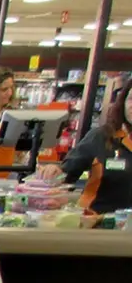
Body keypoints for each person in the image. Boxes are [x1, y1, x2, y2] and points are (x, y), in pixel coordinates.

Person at [37, 83, 132, 213]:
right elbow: (66, 173)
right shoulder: (101, 137)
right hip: (98, 222)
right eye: (131, 99)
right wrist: (54, 172)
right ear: (123, 103)